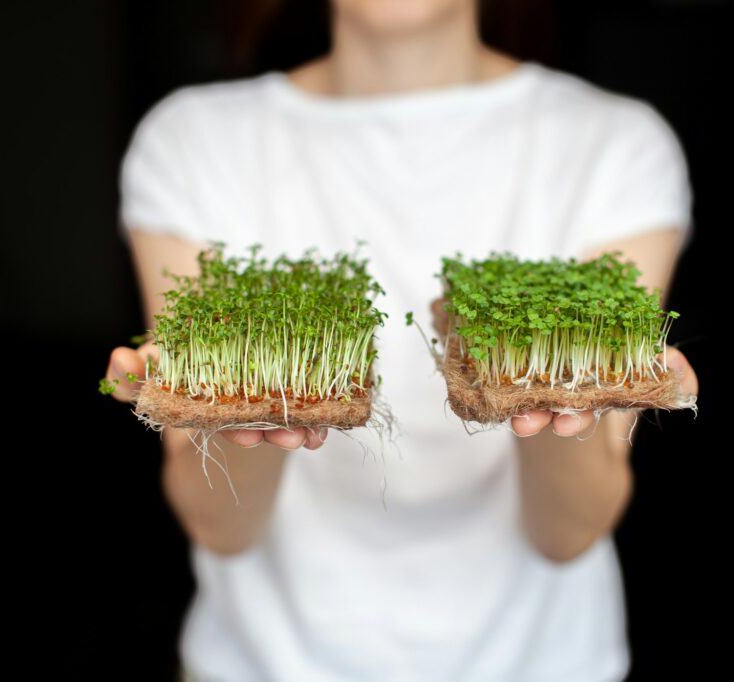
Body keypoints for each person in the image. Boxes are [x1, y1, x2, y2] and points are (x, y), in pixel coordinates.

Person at [104, 0, 699, 679]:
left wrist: (571, 399)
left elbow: (566, 536)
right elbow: (221, 528)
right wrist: (236, 402)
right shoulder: (191, 138)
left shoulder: (616, 142)